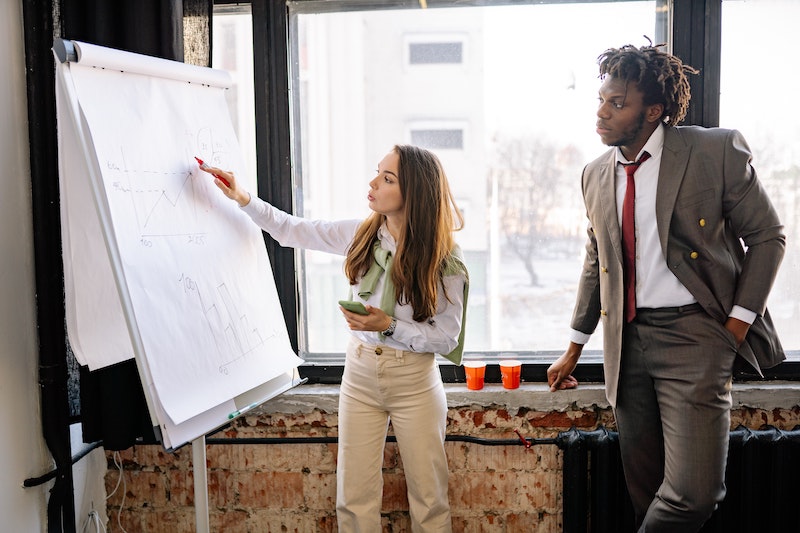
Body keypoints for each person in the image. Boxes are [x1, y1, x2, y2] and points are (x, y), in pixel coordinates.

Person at [547, 42, 785, 532]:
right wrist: (575, 347)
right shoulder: (594, 174)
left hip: (696, 339)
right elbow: (597, 263)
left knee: (692, 495)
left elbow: (768, 236)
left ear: (653, 111)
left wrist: (736, 326)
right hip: (625, 344)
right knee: (648, 493)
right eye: (601, 100)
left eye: (618, 104)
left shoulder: (712, 150)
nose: (602, 113)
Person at [201, 144, 467, 532]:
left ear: (413, 193)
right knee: (353, 499)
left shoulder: (445, 258)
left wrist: (388, 326)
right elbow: (292, 230)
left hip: (414, 382)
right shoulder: (360, 234)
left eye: (387, 178)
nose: (373, 183)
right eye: (378, 172)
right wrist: (243, 197)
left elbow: (446, 337)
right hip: (359, 376)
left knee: (429, 500)